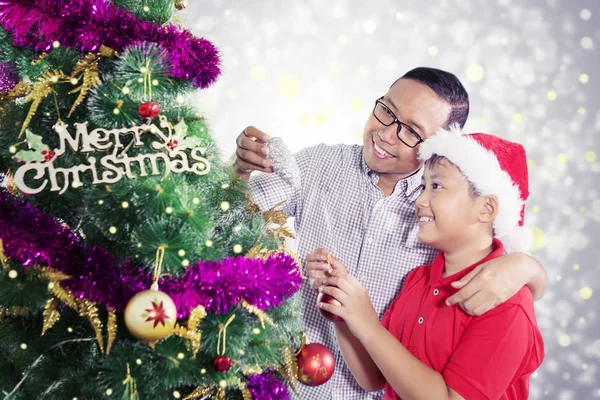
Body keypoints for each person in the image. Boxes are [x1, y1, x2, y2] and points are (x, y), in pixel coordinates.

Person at [233, 67, 547, 399]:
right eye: (386, 111)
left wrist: (528, 267)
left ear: (438, 146)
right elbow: (224, 225)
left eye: (412, 132)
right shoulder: (320, 165)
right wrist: (239, 170)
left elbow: (487, 257)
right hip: (277, 384)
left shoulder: (441, 218)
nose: (386, 133)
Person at [314, 128, 544, 399]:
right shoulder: (418, 280)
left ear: (486, 208)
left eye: (436, 186)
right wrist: (344, 311)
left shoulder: (508, 304)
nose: (420, 200)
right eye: (423, 186)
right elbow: (374, 378)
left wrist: (368, 324)